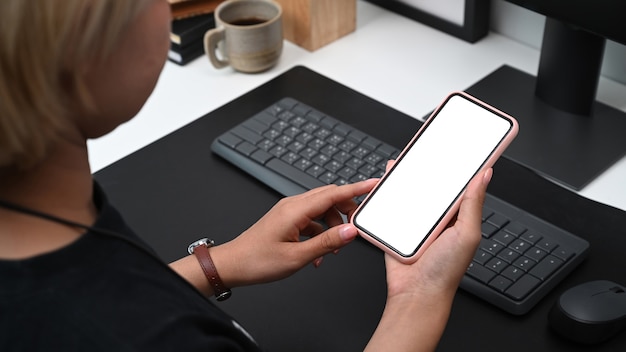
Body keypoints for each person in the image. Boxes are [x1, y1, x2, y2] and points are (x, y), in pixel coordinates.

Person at [0, 0, 490, 350]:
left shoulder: (45, 206)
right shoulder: (158, 336)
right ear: (81, 53)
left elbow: (102, 297)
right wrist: (419, 298)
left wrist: (218, 265)